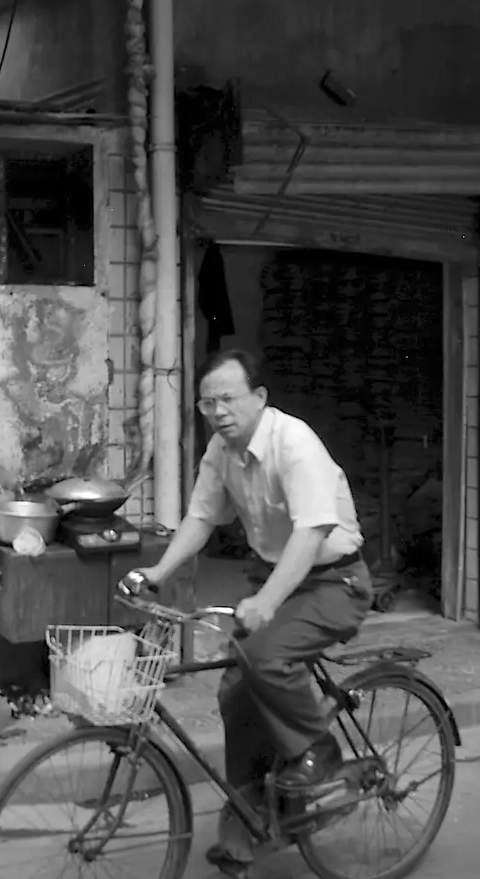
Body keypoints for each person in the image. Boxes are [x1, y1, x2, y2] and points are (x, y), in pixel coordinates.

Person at [131, 348, 372, 873]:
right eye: (207, 401)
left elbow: (311, 534)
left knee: (263, 655)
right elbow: (199, 519)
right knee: (236, 693)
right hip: (279, 577)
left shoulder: (295, 444)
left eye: (229, 398)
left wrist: (266, 602)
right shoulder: (220, 451)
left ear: (259, 398)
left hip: (335, 580)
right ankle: (250, 830)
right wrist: (156, 574)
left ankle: (319, 750)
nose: (218, 411)